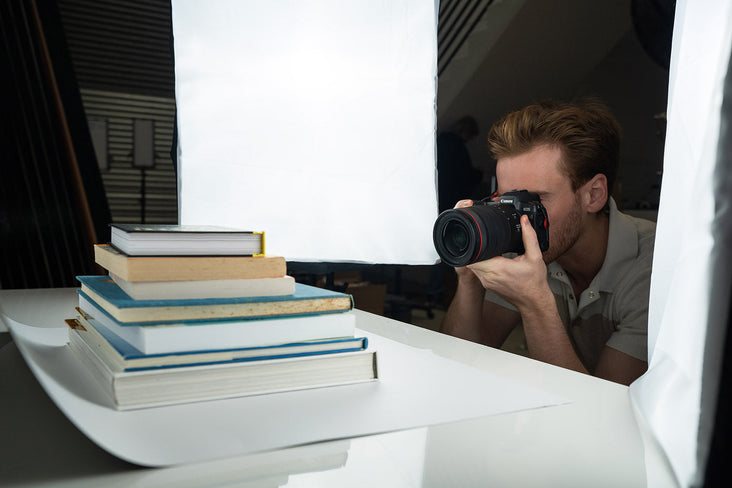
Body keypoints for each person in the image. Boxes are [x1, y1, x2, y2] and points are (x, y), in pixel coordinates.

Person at [440, 100, 655, 386]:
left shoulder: (653, 269)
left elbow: (602, 408)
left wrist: (535, 303)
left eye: (533, 200)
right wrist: (468, 279)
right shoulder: (524, 244)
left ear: (593, 195)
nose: (515, 216)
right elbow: (456, 368)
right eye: (505, 200)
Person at [436, 116, 483, 212]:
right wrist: (479, 174)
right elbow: (463, 172)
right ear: (465, 131)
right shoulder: (457, 146)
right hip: (452, 193)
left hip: (440, 190)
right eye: (470, 135)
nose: (470, 139)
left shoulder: (441, 140)